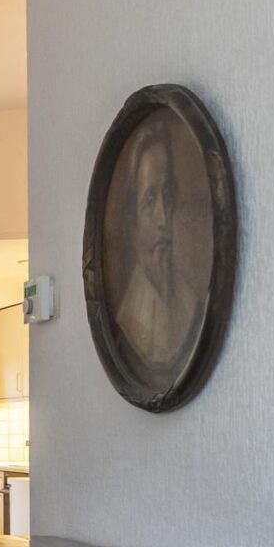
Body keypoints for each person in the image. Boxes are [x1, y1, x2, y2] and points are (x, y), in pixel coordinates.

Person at [113, 123, 200, 367]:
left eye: (167, 196)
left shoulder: (192, 305)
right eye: (149, 201)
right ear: (132, 223)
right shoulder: (128, 321)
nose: (163, 219)